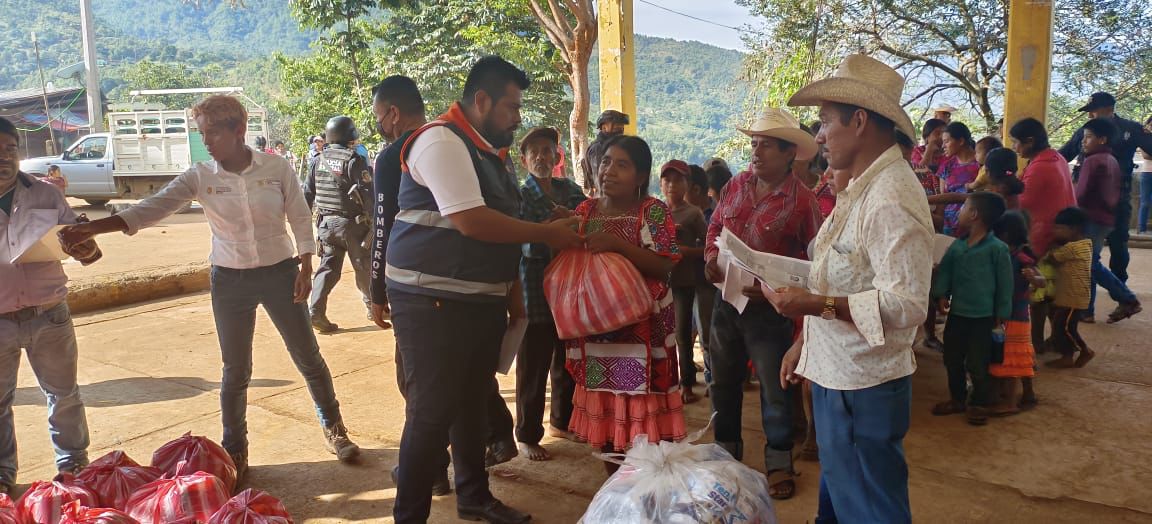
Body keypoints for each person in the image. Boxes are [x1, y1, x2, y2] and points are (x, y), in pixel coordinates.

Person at [58, 95, 361, 484]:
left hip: (280, 274)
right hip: (230, 280)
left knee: (307, 355)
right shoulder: (200, 176)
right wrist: (92, 228)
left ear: (239, 130)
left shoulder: (276, 167)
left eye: (213, 132)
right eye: (202, 134)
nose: (207, 142)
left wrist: (306, 263)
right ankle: (235, 448)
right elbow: (151, 208)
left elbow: (300, 216)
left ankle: (335, 429)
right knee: (235, 370)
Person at [385, 56, 581, 524]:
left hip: (477, 298)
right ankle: (408, 515)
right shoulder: (440, 140)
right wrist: (547, 235)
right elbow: (470, 220)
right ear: (481, 101)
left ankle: (473, 496)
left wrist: (510, 292)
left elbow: (503, 224)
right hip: (429, 299)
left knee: (472, 400)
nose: (517, 117)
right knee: (431, 410)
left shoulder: (492, 156)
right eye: (511, 107)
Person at [775, 54, 933, 523]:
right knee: (843, 499)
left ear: (860, 121)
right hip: (838, 373)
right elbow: (844, 276)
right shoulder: (862, 188)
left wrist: (811, 304)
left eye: (825, 122)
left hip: (864, 385)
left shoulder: (890, 197)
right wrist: (807, 340)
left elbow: (905, 304)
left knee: (869, 505)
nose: (819, 135)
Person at [704, 108, 822, 501]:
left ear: (790, 153)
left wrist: (783, 290)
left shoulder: (804, 202)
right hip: (726, 302)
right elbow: (716, 227)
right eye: (754, 144)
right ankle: (726, 454)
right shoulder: (735, 185)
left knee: (774, 389)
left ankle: (778, 463)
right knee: (722, 382)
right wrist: (709, 259)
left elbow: (814, 263)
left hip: (769, 312)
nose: (756, 152)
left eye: (766, 146)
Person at [562, 135, 686, 464]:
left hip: (644, 338)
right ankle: (616, 500)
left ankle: (639, 497)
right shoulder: (585, 211)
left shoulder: (653, 212)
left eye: (622, 164)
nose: (609, 170)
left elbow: (664, 265)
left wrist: (617, 246)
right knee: (607, 437)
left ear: (641, 177)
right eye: (605, 162)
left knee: (644, 438)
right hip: (597, 338)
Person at [0, 117, 102, 495]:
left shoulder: (47, 194)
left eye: (11, 150)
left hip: (49, 314)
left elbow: (86, 248)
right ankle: (1, 475)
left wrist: (87, 246)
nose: (5, 159)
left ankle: (74, 468)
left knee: (64, 395)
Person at [514, 126, 585, 461]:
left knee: (567, 359)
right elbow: (521, 243)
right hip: (535, 292)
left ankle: (562, 420)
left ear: (557, 157)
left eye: (547, 150)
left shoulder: (569, 189)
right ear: (524, 159)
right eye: (535, 152)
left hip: (570, 292)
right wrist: (551, 231)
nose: (542, 157)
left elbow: (591, 220)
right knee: (533, 365)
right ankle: (527, 435)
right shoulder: (520, 196)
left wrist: (571, 219)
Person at [930, 192, 1013, 426]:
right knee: (952, 358)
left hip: (984, 318)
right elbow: (946, 272)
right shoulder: (958, 247)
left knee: (978, 363)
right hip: (958, 315)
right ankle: (957, 399)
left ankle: (978, 403)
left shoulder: (997, 249)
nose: (960, 211)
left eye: (964, 207)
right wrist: (940, 295)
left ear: (974, 215)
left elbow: (1005, 284)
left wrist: (1002, 313)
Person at [1059, 92, 1152, 283]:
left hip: (1119, 197)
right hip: (1088, 201)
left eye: (1093, 111)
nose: (1089, 116)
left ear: (1109, 110)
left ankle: (1120, 285)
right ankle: (1089, 289)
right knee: (1087, 248)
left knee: (1119, 245)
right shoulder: (1085, 131)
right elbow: (1063, 155)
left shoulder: (1131, 129)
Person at [304, 116, 374, 333]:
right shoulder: (354, 160)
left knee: (327, 269)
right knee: (363, 267)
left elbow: (307, 193)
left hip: (325, 225)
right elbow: (368, 194)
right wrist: (375, 220)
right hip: (352, 226)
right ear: (349, 135)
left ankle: (315, 310)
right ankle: (374, 306)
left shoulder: (317, 159)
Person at [1075, 117, 1142, 324]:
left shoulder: (1093, 161)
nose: (1083, 142)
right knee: (1089, 264)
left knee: (1090, 264)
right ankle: (1086, 310)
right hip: (1105, 218)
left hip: (1091, 218)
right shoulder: (1111, 159)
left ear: (1102, 139)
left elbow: (1081, 193)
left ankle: (1127, 298)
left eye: (1088, 138)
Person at [659, 160, 707, 404]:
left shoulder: (693, 213)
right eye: (667, 180)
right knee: (660, 335)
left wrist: (687, 251)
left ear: (687, 184)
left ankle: (686, 383)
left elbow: (710, 247)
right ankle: (665, 382)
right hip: (658, 281)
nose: (672, 185)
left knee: (681, 334)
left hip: (683, 282)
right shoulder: (656, 211)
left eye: (678, 180)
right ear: (660, 184)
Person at [988, 211, 1042, 414]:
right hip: (1009, 314)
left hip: (1015, 316)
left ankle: (1010, 402)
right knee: (1018, 357)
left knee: (1011, 361)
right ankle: (1027, 394)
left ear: (1005, 234)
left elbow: (1041, 280)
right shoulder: (1005, 254)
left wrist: (1033, 278)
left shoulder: (1020, 257)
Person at [1043, 207, 1094, 369]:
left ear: (1074, 229)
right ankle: (1067, 355)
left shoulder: (1073, 248)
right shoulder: (1083, 245)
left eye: (1059, 228)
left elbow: (1052, 257)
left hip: (1073, 297)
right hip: (1069, 295)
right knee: (1067, 327)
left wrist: (1047, 247)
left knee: (1062, 327)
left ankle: (1084, 350)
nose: (1055, 231)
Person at [936, 122, 980, 235]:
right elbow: (943, 199)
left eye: (947, 141)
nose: (943, 146)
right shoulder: (946, 166)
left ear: (961, 141)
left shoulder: (981, 164)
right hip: (949, 227)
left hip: (974, 227)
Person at [580, 110, 629, 194]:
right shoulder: (598, 148)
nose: (620, 130)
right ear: (604, 128)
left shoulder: (615, 147)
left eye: (621, 128)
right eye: (616, 127)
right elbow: (600, 182)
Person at [1138, 116, 1152, 234]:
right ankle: (1141, 228)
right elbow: (1146, 156)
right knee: (1145, 202)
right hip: (1147, 173)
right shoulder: (1144, 138)